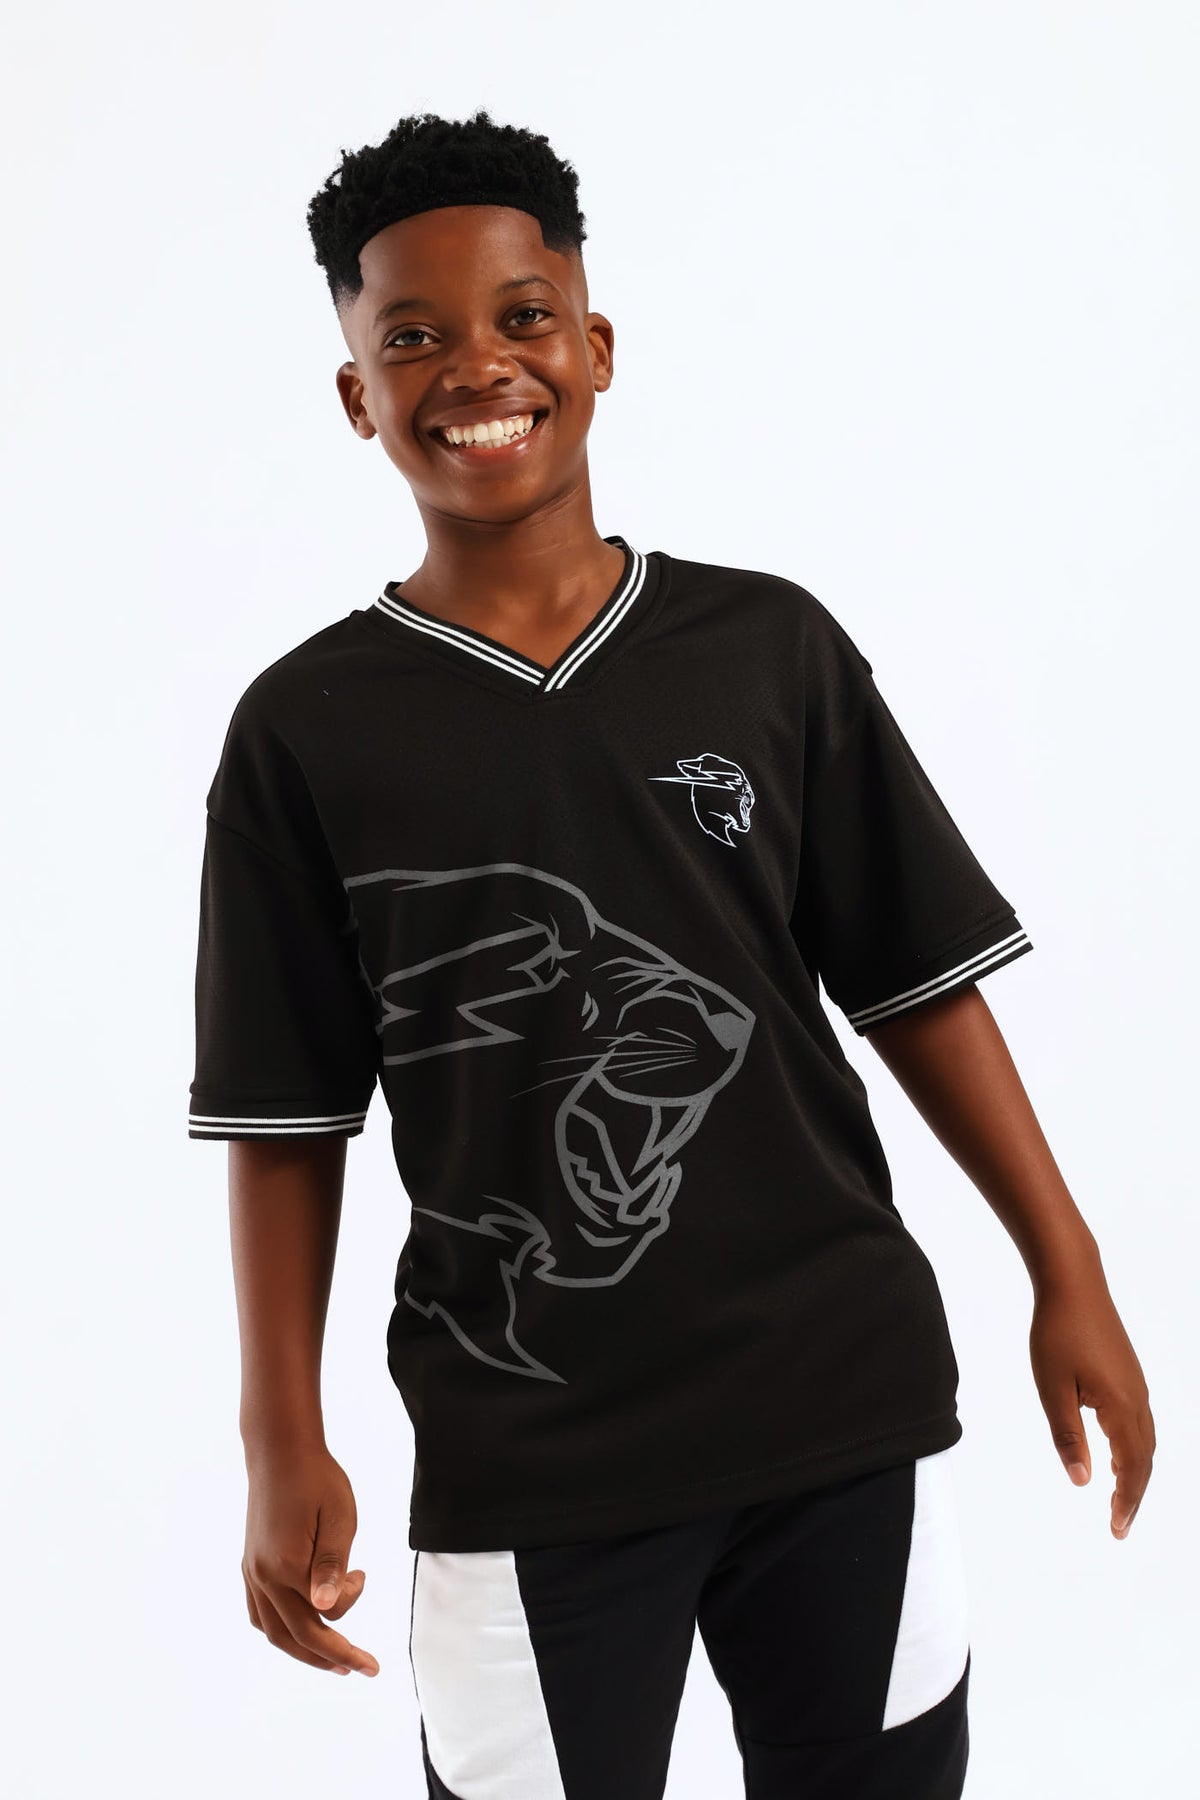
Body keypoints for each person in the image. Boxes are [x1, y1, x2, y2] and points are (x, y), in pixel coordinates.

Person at [188, 107, 1155, 1799]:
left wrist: (1064, 1266)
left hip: (841, 1404)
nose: (476, 365)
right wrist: (282, 1436)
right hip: (531, 1448)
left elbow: (918, 986)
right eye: (411, 337)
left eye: (522, 315)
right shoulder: (305, 731)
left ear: (596, 344)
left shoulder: (766, 647)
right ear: (354, 395)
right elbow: (285, 1119)